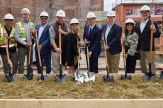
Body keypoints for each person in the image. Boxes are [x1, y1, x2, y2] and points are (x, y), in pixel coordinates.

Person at [135, 5, 161, 81]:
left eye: (147, 12)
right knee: (142, 63)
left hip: (149, 48)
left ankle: (152, 74)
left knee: (151, 63)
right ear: (141, 13)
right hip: (140, 48)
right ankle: (145, 74)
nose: (145, 14)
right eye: (143, 12)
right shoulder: (137, 24)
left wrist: (154, 30)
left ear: (149, 13)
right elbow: (136, 36)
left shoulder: (153, 23)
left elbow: (157, 35)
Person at [15, 8, 35, 80]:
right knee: (21, 62)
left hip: (30, 46)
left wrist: (35, 33)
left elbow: (34, 36)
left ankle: (30, 75)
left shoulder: (32, 24)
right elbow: (16, 37)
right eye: (24, 14)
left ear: (29, 15)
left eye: (27, 14)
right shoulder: (18, 24)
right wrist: (25, 43)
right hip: (22, 46)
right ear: (22, 14)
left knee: (30, 62)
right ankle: (20, 76)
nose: (26, 16)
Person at [0, 14, 18, 82]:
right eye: (8, 20)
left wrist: (8, 38)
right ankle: (7, 75)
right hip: (3, 49)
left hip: (12, 48)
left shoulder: (14, 29)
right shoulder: (1, 29)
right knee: (6, 64)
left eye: (11, 20)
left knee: (15, 63)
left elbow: (15, 40)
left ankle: (13, 74)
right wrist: (1, 43)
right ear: (5, 21)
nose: (10, 22)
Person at [49, 10, 68, 75]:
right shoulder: (52, 27)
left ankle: (61, 79)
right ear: (57, 17)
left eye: (62, 17)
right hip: (55, 51)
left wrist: (62, 32)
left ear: (64, 18)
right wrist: (56, 48)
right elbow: (52, 39)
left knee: (61, 66)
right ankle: (55, 80)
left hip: (63, 50)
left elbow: (70, 35)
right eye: (59, 17)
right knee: (55, 67)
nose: (61, 19)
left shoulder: (66, 26)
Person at [35, 11, 51, 80]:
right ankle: (40, 75)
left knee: (47, 63)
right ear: (40, 19)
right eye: (42, 18)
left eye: (45, 18)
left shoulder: (49, 27)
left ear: (47, 19)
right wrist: (33, 33)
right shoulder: (37, 26)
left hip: (46, 49)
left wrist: (42, 45)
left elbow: (49, 38)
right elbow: (35, 37)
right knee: (39, 63)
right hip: (37, 48)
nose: (44, 20)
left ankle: (48, 75)